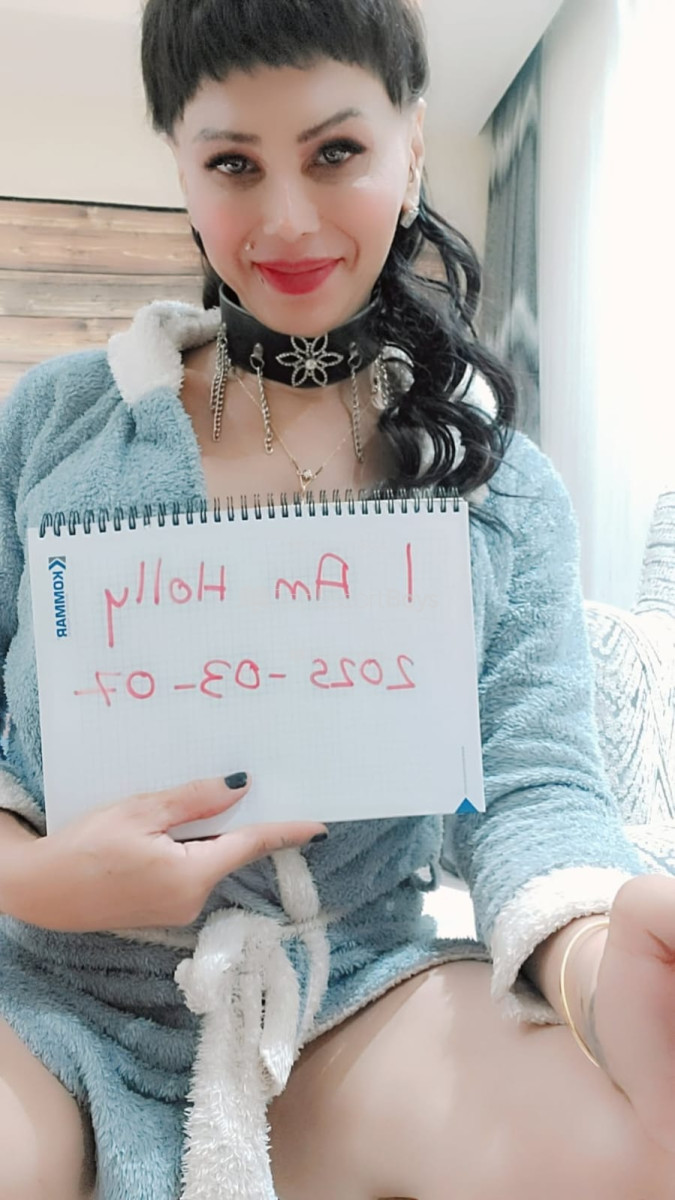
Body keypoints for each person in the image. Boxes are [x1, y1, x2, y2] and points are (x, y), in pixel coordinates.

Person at [0, 1, 673, 1197]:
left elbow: (534, 789)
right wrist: (37, 878)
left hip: (347, 988)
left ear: (411, 147)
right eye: (233, 164)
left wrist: (592, 960)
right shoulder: (54, 427)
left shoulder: (501, 485)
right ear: (181, 167)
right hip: (48, 992)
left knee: (633, 1151)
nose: (288, 221)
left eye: (336, 152)